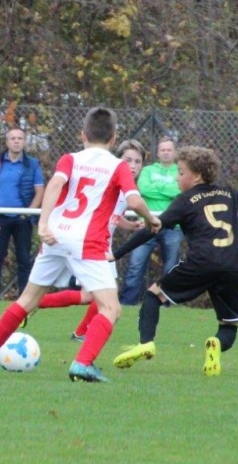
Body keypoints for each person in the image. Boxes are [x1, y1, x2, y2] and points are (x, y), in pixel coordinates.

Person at [0, 107, 159, 383]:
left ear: (83, 135)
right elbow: (134, 200)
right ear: (113, 138)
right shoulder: (117, 166)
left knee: (27, 300)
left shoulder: (70, 158)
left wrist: (43, 224)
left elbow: (55, 185)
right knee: (111, 308)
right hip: (87, 241)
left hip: (56, 236)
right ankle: (82, 363)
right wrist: (151, 219)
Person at [111, 145, 238, 376]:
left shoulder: (184, 200)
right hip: (232, 265)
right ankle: (216, 344)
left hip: (201, 262)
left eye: (181, 172)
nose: (177, 178)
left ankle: (146, 343)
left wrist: (117, 254)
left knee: (153, 295)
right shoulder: (227, 193)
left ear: (197, 176)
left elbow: (152, 229)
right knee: (229, 324)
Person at [33, 139, 147, 341]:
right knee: (104, 296)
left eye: (137, 162)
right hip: (92, 243)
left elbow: (114, 215)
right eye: (128, 160)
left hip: (96, 243)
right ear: (118, 160)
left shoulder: (126, 187)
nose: (132, 166)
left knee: (90, 296)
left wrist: (130, 225)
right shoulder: (112, 180)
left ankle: (37, 306)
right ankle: (75, 328)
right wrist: (150, 220)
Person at [0, 128, 45, 300]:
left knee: (24, 260)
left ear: (24, 141)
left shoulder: (33, 164)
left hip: (21, 219)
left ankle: (25, 298)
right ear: (7, 141)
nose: (16, 141)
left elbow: (39, 191)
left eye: (20, 138)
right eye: (13, 138)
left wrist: (27, 214)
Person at [119, 136, 184, 306]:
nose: (166, 152)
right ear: (158, 152)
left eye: (169, 149)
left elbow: (179, 191)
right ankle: (128, 303)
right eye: (163, 149)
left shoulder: (180, 170)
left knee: (170, 267)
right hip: (146, 224)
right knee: (135, 264)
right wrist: (167, 191)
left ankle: (166, 304)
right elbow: (143, 189)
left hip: (173, 227)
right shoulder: (147, 170)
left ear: (174, 152)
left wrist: (157, 188)